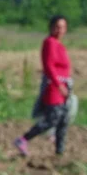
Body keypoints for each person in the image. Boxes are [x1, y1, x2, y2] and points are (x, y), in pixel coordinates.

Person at [14, 15, 71, 156]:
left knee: (63, 120)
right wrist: (59, 85)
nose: (60, 30)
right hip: (54, 87)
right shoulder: (50, 43)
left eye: (63, 27)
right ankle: (23, 139)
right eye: (57, 27)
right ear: (51, 27)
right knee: (52, 119)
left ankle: (59, 152)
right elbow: (49, 66)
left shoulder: (60, 45)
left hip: (63, 87)